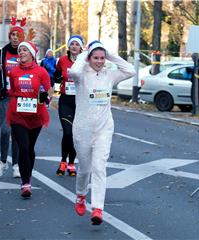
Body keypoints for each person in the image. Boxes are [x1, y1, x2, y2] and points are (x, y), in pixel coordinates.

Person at [68, 41, 135, 225]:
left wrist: (110, 54)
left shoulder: (110, 74)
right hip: (83, 128)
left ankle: (97, 208)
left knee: (99, 166)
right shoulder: (81, 75)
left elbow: (131, 70)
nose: (99, 61)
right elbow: (72, 72)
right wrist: (84, 53)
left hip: (104, 127)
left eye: (102, 58)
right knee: (85, 169)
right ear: (89, 58)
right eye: (95, 58)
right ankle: (81, 195)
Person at [7, 41, 53, 198]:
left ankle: (28, 175)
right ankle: (25, 183)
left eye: (25, 50)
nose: (21, 52)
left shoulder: (41, 72)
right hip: (17, 113)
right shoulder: (13, 72)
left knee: (30, 148)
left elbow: (49, 89)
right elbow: (12, 90)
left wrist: (48, 96)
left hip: (35, 114)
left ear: (32, 54)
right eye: (20, 50)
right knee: (23, 147)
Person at [0, 17, 26, 178]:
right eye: (12, 34)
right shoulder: (1, 54)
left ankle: (16, 165)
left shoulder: (25, 54)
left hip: (20, 97)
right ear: (9, 36)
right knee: (5, 130)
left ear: (22, 38)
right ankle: (3, 162)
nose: (14, 37)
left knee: (17, 132)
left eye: (17, 35)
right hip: (5, 96)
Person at [54, 35, 84, 177]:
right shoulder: (62, 60)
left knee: (75, 135)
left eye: (76, 44)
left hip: (80, 102)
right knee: (67, 132)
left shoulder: (86, 62)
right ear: (68, 47)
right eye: (71, 44)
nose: (74, 46)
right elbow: (56, 76)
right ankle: (63, 160)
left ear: (81, 47)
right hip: (66, 100)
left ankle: (71, 163)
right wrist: (58, 79)